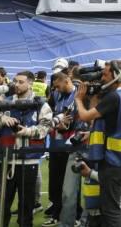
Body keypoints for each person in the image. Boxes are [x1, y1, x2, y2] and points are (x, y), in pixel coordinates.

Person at [0, 71, 52, 227]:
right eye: (15, 81)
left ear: (30, 83)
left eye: (21, 82)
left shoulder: (41, 105)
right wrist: (2, 119)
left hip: (29, 161)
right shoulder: (5, 103)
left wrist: (27, 131)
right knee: (3, 200)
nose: (16, 84)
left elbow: (45, 128)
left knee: (27, 201)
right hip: (6, 159)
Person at [74, 61, 121, 227]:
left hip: (113, 161)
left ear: (117, 76)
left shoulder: (114, 97)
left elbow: (85, 116)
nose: (102, 78)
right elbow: (103, 122)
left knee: (111, 210)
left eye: (105, 74)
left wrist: (78, 99)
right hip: (117, 160)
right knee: (109, 209)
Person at [44, 71, 78, 227]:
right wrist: (56, 123)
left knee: (70, 185)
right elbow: (47, 115)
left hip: (71, 146)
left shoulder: (79, 95)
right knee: (55, 182)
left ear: (67, 81)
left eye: (58, 86)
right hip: (55, 145)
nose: (56, 89)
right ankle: (56, 214)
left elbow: (80, 119)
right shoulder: (55, 95)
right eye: (54, 87)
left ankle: (75, 215)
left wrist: (67, 126)